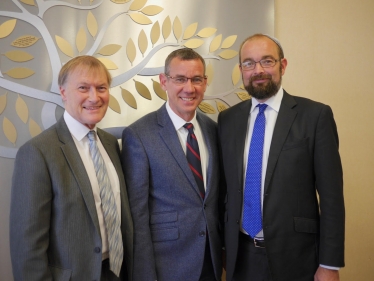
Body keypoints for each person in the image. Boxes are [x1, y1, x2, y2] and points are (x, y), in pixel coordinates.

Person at [218, 34, 345, 281]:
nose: (258, 70)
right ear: (241, 69)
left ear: (282, 65)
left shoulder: (315, 116)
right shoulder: (228, 120)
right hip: (241, 259)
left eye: (267, 61)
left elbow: (332, 198)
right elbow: (225, 191)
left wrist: (330, 264)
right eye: (249, 63)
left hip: (297, 257)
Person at [10, 56, 133, 281]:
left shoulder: (110, 143)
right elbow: (27, 248)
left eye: (101, 88)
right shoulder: (37, 152)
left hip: (117, 272)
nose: (94, 97)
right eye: (83, 88)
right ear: (64, 93)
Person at [121, 48, 223, 281]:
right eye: (180, 79)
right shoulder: (139, 135)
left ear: (205, 83)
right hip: (166, 266)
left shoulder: (214, 130)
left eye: (196, 79)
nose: (189, 88)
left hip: (211, 263)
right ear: (163, 81)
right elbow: (137, 216)